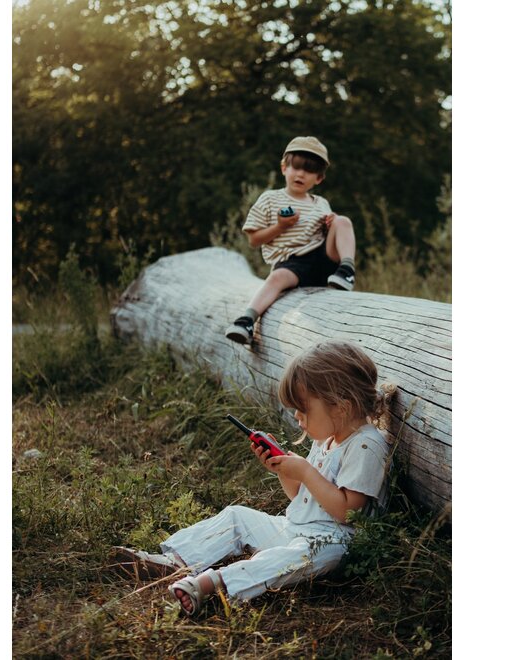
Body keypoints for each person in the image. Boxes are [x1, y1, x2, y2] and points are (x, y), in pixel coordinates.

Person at [111, 341, 394, 616]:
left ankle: (215, 584)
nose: (297, 417)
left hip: (334, 544)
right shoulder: (327, 439)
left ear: (341, 406)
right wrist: (283, 470)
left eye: (304, 409)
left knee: (306, 555)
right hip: (296, 528)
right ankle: (174, 562)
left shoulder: (365, 445)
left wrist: (306, 472)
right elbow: (300, 498)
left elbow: (348, 513)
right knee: (237, 516)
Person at [225, 136, 359, 345]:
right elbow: (253, 240)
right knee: (276, 278)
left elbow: (330, 233)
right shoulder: (270, 199)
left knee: (342, 221)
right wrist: (280, 226)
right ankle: (247, 320)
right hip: (292, 263)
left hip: (323, 258)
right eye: (296, 167)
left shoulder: (321, 203)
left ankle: (347, 271)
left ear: (319, 179)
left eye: (309, 170)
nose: (301, 174)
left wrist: (330, 223)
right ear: (283, 168)